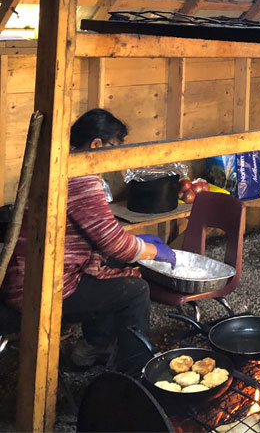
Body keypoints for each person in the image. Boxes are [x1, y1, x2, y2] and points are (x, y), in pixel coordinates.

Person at [2, 108, 176, 374]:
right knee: (134, 291)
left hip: (26, 274)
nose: (114, 158)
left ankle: (92, 347)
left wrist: (133, 245)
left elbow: (101, 235)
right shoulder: (80, 178)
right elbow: (113, 242)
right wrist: (153, 250)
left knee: (114, 265)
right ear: (96, 145)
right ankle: (138, 371)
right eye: (113, 149)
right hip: (42, 287)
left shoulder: (57, 160)